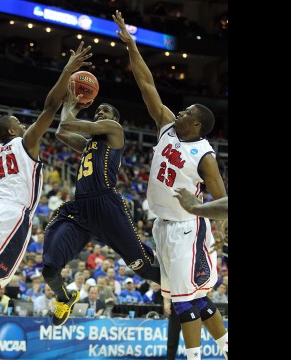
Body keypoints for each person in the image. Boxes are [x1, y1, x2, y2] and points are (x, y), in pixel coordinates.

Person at [114, 11, 228, 359]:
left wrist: (205, 215)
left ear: (197, 125)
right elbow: (147, 84)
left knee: (181, 300)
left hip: (186, 227)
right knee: (195, 298)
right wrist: (131, 45)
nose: (177, 114)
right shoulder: (166, 126)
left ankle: (192, 358)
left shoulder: (204, 155)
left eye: (185, 114)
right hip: (162, 225)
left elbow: (223, 200)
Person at [0, 42, 93, 314]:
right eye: (19, 121)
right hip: (13, 216)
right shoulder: (25, 141)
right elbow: (50, 106)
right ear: (13, 129)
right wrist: (67, 70)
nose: (24, 125)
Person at [41, 80, 161, 326]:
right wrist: (71, 106)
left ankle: (185, 286)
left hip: (106, 205)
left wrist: (70, 105)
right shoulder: (88, 145)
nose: (100, 112)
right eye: (98, 110)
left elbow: (67, 123)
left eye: (104, 111)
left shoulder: (114, 130)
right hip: (81, 210)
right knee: (50, 269)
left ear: (113, 118)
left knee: (144, 268)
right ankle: (65, 297)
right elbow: (61, 132)